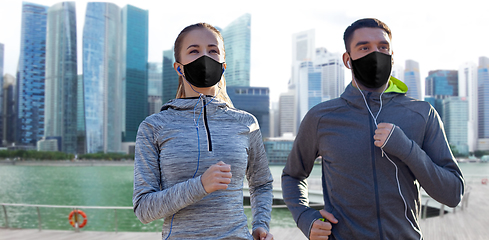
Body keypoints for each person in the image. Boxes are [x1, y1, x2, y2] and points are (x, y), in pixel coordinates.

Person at [282, 18, 465, 240]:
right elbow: (292, 175)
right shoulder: (321, 117)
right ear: (348, 60)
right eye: (364, 48)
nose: (375, 54)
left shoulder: (422, 114)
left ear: (392, 55)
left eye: (383, 47)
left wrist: (407, 149)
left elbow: (453, 194)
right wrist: (304, 217)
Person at [133, 23, 274, 240]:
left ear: (223, 65)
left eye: (213, 50)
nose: (205, 57)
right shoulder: (154, 126)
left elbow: (261, 183)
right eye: (194, 51)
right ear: (179, 68)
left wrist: (261, 223)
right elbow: (143, 209)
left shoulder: (246, 123)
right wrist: (200, 185)